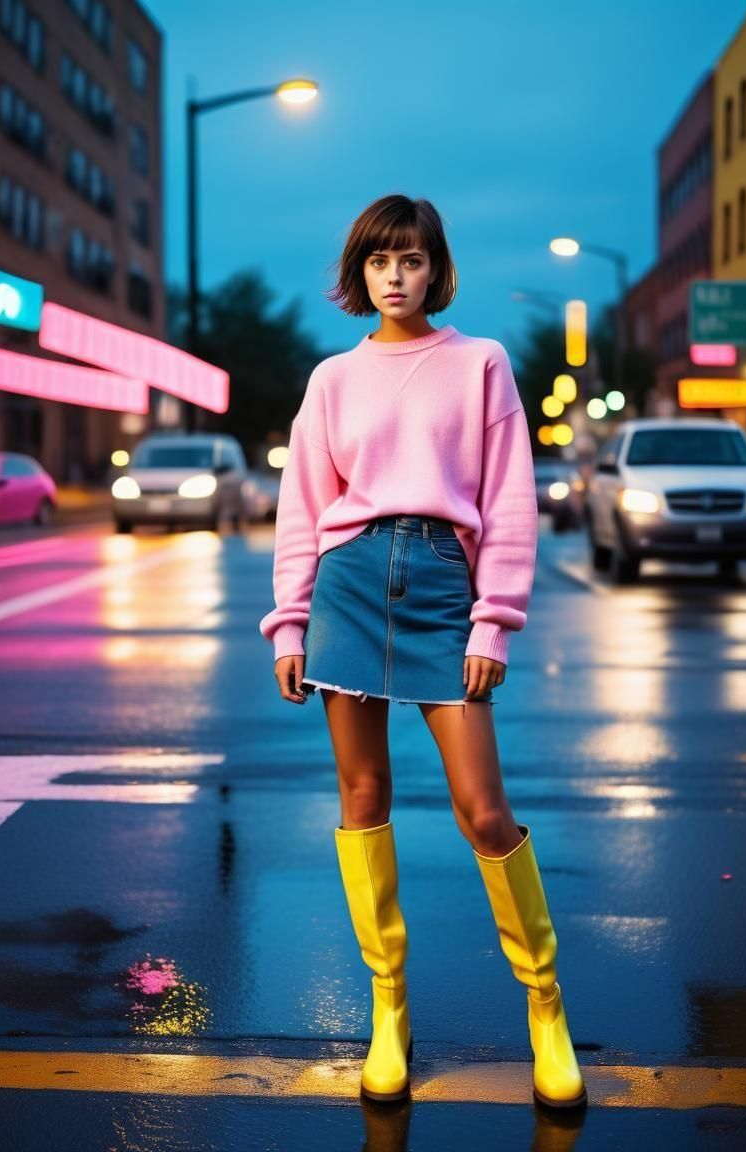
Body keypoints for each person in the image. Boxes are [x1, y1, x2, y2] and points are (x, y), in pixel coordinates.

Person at [259, 194, 587, 1110]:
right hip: (349, 584)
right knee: (362, 796)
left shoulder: (480, 364)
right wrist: (289, 622)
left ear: (435, 268)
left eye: (409, 259)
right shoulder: (331, 379)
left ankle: (545, 1005)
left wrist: (495, 619)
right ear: (360, 274)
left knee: (484, 810)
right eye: (377, 261)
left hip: (445, 581)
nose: (394, 275)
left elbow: (511, 501)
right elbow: (304, 511)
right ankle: (388, 1008)